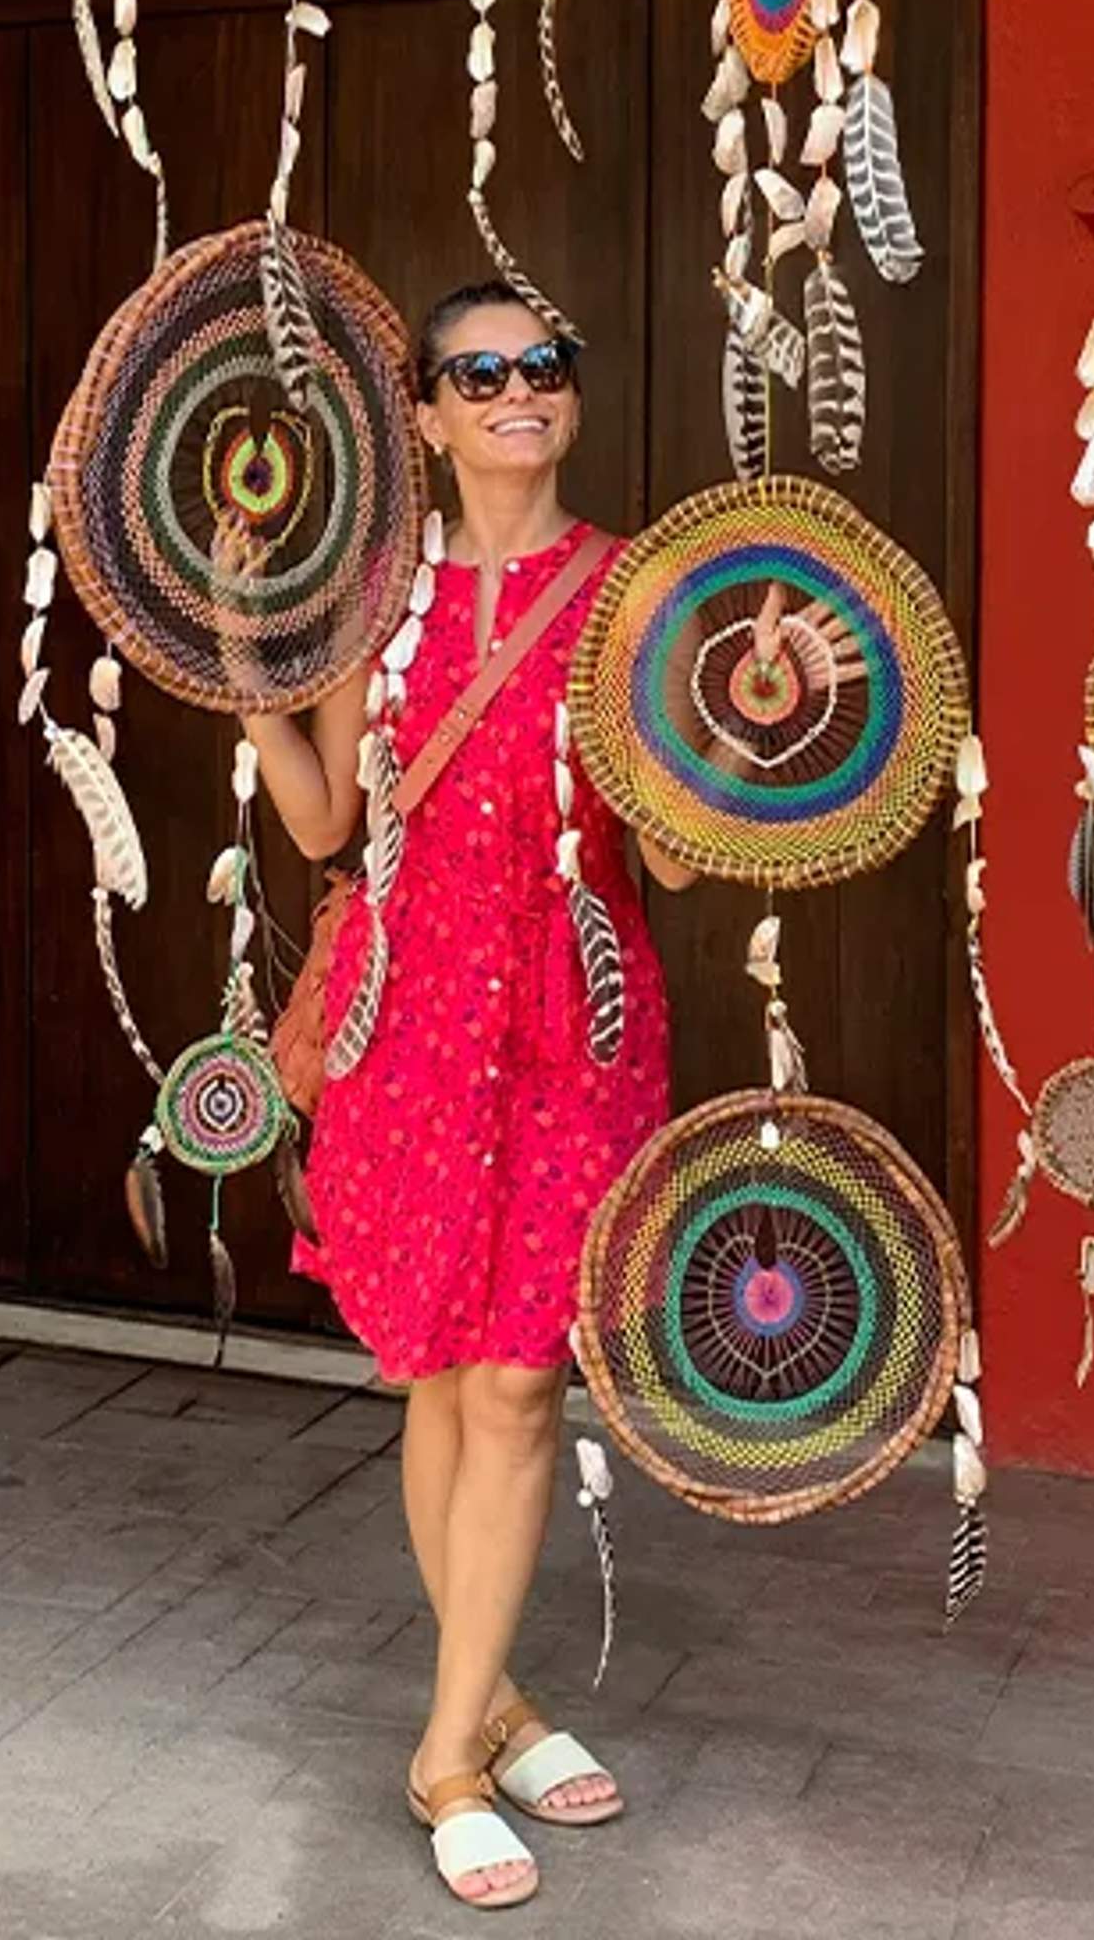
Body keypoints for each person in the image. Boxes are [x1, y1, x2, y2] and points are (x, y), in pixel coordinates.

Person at [241, 282, 691, 1912]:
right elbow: (321, 825)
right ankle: (492, 1704)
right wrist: (249, 687)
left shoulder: (639, 591)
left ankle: (441, 1755)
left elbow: (679, 853)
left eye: (543, 366)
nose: (518, 391)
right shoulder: (387, 599)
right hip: (413, 1027)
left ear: (570, 396)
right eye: (478, 373)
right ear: (425, 414)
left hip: (574, 1026)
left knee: (517, 1384)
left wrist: (739, 717)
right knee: (435, 1376)